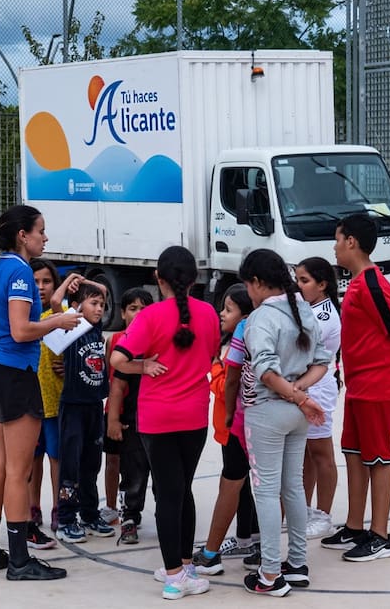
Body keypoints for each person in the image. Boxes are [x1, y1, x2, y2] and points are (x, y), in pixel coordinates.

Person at [0, 204, 82, 581]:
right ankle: (20, 560)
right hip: (17, 374)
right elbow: (21, 330)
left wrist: (53, 311)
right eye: (40, 231)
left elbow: (1, 328)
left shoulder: (0, 267)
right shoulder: (20, 272)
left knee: (0, 467)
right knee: (19, 472)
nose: (45, 238)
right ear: (23, 235)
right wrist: (59, 321)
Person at [110, 246, 220, 601]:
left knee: (168, 494)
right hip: (194, 416)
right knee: (182, 490)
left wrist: (142, 366)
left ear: (158, 279)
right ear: (193, 278)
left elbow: (117, 358)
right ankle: (182, 565)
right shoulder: (208, 314)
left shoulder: (149, 317)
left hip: (157, 418)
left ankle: (175, 573)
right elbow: (211, 355)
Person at [321, 213, 390, 562]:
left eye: (337, 239)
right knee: (355, 454)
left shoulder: (374, 284)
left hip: (378, 384)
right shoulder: (359, 283)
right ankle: (355, 526)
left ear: (351, 242)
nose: (334, 246)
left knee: (378, 457)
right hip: (360, 384)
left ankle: (381, 535)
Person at [238, 249, 330, 597]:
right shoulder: (303, 310)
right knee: (293, 486)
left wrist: (295, 395)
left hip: (269, 410)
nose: (248, 292)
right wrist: (301, 392)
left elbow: (265, 369)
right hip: (296, 412)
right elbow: (322, 361)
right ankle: (297, 563)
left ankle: (270, 574)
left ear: (258, 282)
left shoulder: (262, 317)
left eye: (248, 285)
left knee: (264, 489)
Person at [192, 284, 261, 576]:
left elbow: (226, 388)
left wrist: (215, 367)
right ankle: (250, 538)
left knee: (232, 483)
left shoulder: (240, 343)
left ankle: (212, 552)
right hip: (229, 427)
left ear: (245, 315)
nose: (222, 313)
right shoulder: (232, 339)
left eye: (228, 309)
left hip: (237, 426)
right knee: (242, 486)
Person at [55, 279, 117, 542]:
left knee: (92, 463)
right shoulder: (73, 326)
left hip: (94, 405)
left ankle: (90, 514)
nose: (100, 307)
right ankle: (66, 519)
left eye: (102, 305)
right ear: (77, 307)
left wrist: (89, 284)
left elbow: (102, 289)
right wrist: (71, 280)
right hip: (73, 407)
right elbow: (56, 302)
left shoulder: (96, 328)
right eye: (93, 304)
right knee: (71, 464)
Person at [294, 257, 343, 539]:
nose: (299, 286)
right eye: (297, 280)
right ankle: (304, 509)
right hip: (305, 384)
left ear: (322, 285)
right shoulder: (308, 307)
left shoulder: (324, 316)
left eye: (305, 281)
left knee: (321, 452)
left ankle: (323, 515)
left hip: (319, 386)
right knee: (306, 454)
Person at [105, 288, 155, 545]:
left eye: (145, 308)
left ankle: (169, 516)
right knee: (132, 475)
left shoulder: (158, 342)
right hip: (133, 421)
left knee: (165, 476)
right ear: (122, 313)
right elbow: (116, 385)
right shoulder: (126, 346)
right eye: (133, 308)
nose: (139, 314)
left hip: (162, 421)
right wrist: (113, 419)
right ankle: (129, 519)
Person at [29, 258, 62, 547]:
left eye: (46, 281)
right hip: (28, 400)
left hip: (55, 399)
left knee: (56, 456)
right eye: (35, 281)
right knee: (31, 457)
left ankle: (58, 507)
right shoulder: (21, 315)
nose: (40, 287)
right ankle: (31, 506)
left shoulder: (61, 315)